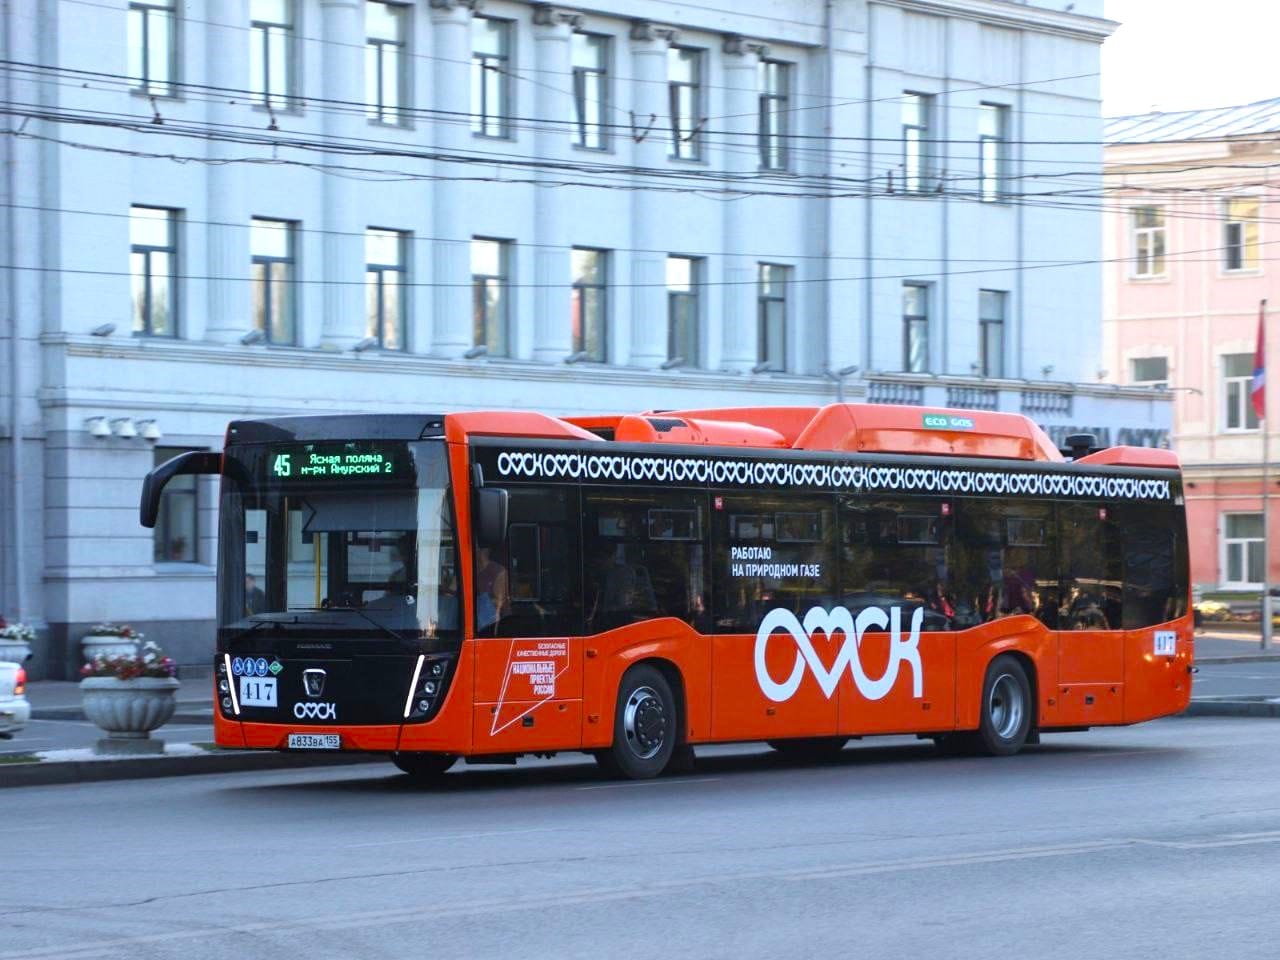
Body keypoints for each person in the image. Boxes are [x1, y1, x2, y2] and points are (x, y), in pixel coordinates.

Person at [475, 546, 509, 632]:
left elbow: (500, 602)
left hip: (490, 625)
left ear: (483, 551)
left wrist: (483, 599)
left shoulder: (498, 571)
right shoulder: (468, 569)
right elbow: (451, 593)